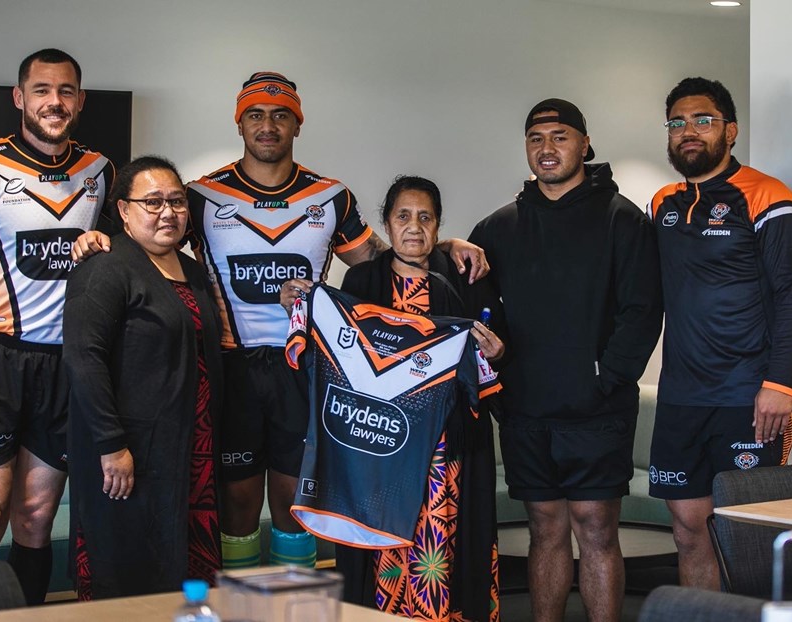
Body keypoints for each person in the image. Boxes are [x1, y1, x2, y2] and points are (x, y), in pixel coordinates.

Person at [73, 71, 488, 570]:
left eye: (279, 116)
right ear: (240, 124)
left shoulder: (332, 197)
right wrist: (97, 238)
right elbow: (151, 240)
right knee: (236, 509)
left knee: (297, 508)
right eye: (255, 115)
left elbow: (386, 257)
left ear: (296, 125)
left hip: (304, 369)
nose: (267, 125)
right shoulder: (201, 196)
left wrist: (442, 244)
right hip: (231, 369)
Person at [468, 99, 663, 622]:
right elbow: (483, 318)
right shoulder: (498, 227)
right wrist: (503, 379)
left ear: (584, 143)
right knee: (544, 531)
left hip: (598, 411)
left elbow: (642, 311)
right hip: (527, 412)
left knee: (597, 531)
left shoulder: (623, 220)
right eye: (536, 138)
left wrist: (607, 378)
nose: (547, 148)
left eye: (559, 136)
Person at [283, 175, 505, 621]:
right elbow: (332, 350)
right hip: (378, 444)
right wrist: (299, 304)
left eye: (426, 218)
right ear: (387, 223)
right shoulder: (361, 279)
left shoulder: (463, 281)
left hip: (444, 447)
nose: (414, 227)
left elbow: (490, 359)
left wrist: (494, 354)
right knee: (378, 543)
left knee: (435, 542)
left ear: (438, 227)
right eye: (403, 216)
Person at [0, 48, 115, 604]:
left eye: (66, 90)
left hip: (65, 367)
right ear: (20, 98)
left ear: (81, 100)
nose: (55, 101)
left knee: (37, 515)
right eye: (42, 90)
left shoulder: (101, 171)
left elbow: (119, 263)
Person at [648, 77, 792, 589]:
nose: (689, 131)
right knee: (689, 532)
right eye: (678, 122)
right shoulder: (661, 203)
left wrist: (780, 385)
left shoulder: (768, 195)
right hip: (681, 397)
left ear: (730, 131)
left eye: (703, 120)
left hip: (748, 398)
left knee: (748, 534)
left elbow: (790, 296)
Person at [62, 156, 223, 599]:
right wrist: (112, 445)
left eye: (176, 201)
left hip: (189, 452)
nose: (167, 212)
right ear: (124, 211)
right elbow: (83, 358)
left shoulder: (191, 271)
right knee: (128, 566)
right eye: (152, 202)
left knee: (185, 570)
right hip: (128, 454)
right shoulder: (105, 268)